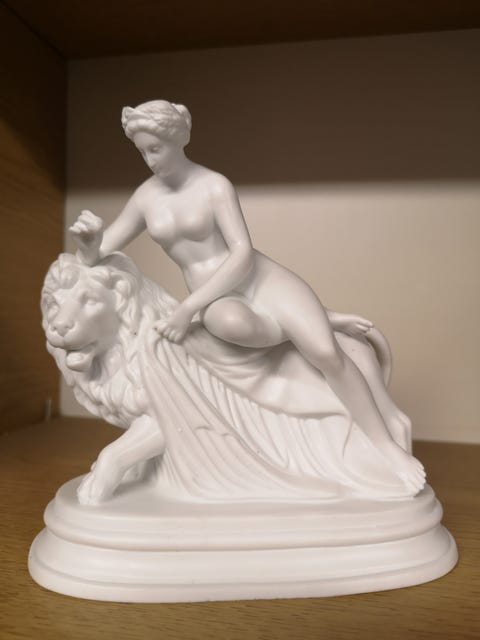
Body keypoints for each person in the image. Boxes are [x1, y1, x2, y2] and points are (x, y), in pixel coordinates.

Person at [70, 100, 425, 493]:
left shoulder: (214, 185)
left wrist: (187, 309)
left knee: (326, 354)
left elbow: (241, 254)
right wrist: (88, 243)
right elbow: (101, 252)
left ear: (178, 140)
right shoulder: (145, 197)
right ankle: (317, 319)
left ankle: (386, 447)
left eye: (156, 149)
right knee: (229, 324)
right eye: (142, 152)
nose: (150, 160)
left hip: (260, 280)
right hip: (217, 299)